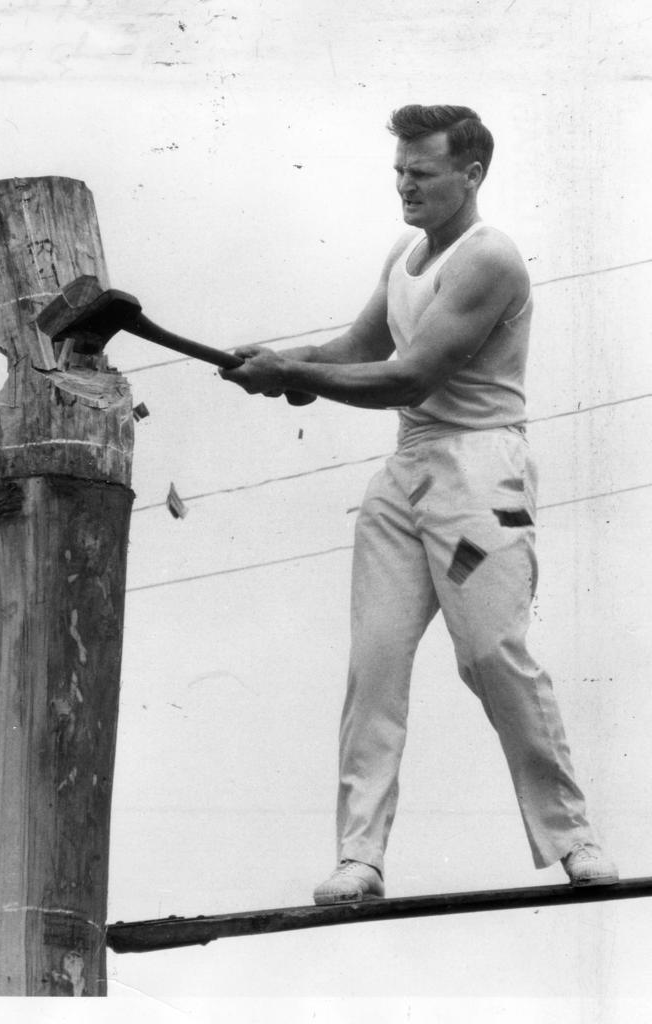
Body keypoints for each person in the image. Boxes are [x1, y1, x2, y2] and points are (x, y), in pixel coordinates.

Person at [220, 104, 618, 904]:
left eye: (423, 172)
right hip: (405, 476)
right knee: (374, 668)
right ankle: (359, 859)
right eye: (399, 170)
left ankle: (572, 837)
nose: (405, 184)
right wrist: (286, 361)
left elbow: (409, 375)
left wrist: (298, 378)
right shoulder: (405, 254)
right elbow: (360, 350)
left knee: (490, 655)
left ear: (470, 175)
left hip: (479, 482)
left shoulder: (489, 259)